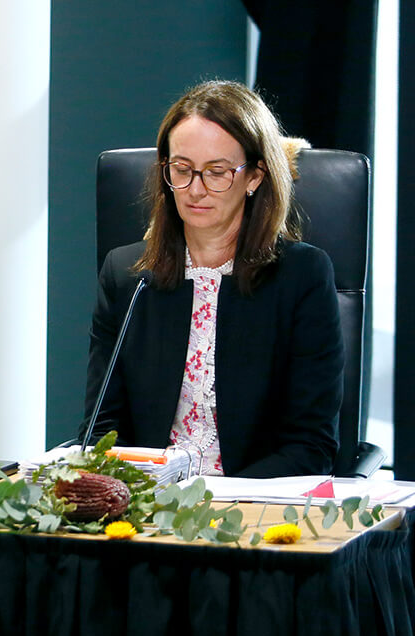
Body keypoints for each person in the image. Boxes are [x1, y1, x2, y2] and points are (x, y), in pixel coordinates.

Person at [81, 80, 342, 477]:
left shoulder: (302, 276)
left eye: (216, 172)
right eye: (181, 170)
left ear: (255, 176)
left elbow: (311, 444)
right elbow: (102, 430)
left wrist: (214, 499)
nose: (195, 190)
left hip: (253, 507)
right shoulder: (129, 277)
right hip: (146, 507)